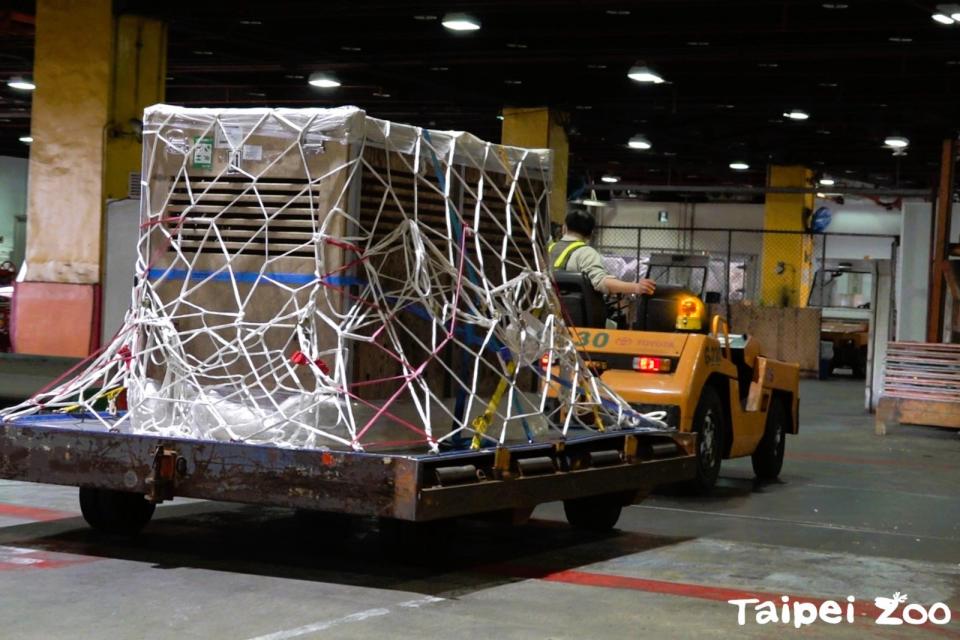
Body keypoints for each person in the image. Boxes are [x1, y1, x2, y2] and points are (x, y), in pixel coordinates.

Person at [548, 209, 656, 296]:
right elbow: (601, 283)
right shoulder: (586, 253)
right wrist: (636, 287)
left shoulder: (547, 249)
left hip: (546, 313)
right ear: (590, 234)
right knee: (612, 323)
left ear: (564, 228)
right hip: (573, 318)